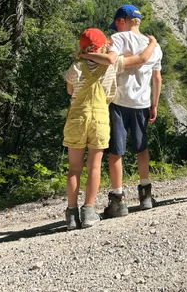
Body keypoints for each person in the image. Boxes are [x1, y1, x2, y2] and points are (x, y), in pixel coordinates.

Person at [64, 27, 157, 230]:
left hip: (77, 119)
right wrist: (152, 43)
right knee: (94, 166)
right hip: (99, 119)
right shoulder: (111, 66)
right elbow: (141, 59)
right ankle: (88, 211)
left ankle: (71, 215)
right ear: (103, 46)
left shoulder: (76, 67)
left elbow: (70, 90)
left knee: (74, 168)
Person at [82, 4, 163, 217]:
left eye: (116, 24)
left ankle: (118, 200)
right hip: (142, 103)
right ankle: (145, 195)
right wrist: (154, 104)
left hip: (118, 102)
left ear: (121, 21)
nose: (116, 28)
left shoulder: (118, 38)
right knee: (141, 149)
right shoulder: (154, 46)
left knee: (116, 152)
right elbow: (157, 78)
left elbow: (111, 61)